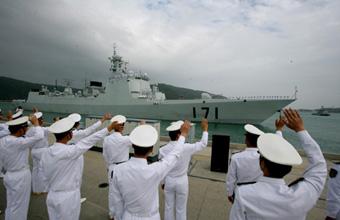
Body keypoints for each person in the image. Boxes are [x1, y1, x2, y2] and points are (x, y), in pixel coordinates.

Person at [230, 108, 327, 220]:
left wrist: (281, 129)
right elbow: (319, 165)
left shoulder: (243, 194)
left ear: (262, 164)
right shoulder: (303, 195)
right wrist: (300, 129)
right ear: (288, 168)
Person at [111, 121, 191, 220]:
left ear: (132, 146)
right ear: (152, 149)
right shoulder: (155, 170)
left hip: (127, 216)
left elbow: (117, 203)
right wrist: (183, 135)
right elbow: (174, 155)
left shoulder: (117, 170)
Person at [41, 117, 117, 220]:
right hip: (68, 198)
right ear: (69, 135)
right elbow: (90, 139)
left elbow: (43, 174)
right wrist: (108, 128)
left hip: (52, 195)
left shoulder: (46, 152)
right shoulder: (69, 152)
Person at [159, 119, 208, 220]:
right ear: (178, 135)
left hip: (169, 180)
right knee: (181, 209)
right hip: (182, 180)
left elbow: (162, 169)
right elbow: (203, 144)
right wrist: (205, 129)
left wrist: (163, 182)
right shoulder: (187, 147)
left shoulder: (162, 150)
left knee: (168, 207)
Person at [0, 115, 44, 220]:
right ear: (20, 131)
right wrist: (36, 123)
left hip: (9, 175)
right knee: (20, 206)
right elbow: (39, 136)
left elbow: (24, 134)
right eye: (25, 129)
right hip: (20, 177)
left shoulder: (3, 140)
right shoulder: (18, 142)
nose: (26, 130)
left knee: (11, 205)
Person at [225, 124, 264, 203]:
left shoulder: (236, 157)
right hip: (260, 192)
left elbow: (231, 178)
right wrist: (279, 130)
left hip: (241, 192)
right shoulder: (264, 157)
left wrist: (230, 193)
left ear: (246, 140)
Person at [103, 115, 131, 220]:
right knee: (123, 193)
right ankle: (120, 215)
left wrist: (108, 166)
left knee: (112, 192)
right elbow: (139, 140)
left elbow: (105, 155)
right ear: (122, 127)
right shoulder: (125, 140)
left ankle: (112, 214)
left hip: (112, 168)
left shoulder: (106, 139)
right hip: (123, 168)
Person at [26, 111, 49, 194]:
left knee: (35, 170)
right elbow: (52, 129)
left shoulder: (30, 130)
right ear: (41, 120)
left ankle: (35, 189)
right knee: (42, 170)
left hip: (34, 151)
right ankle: (42, 189)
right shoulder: (43, 129)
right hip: (42, 151)